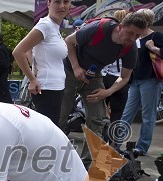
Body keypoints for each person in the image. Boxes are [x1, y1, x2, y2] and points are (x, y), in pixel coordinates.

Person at [58, 11, 147, 168]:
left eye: (137, 36)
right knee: (61, 116)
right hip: (70, 71)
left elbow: (125, 78)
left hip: (93, 76)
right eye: (130, 33)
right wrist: (76, 67)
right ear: (120, 27)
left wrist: (107, 92)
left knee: (98, 119)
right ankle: (53, 157)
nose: (132, 38)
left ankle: (85, 164)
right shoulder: (99, 28)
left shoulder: (130, 49)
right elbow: (69, 41)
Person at [13, 0, 71, 125]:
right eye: (57, 2)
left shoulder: (54, 27)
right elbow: (18, 52)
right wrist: (32, 79)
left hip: (55, 88)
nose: (62, 6)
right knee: (46, 135)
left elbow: (30, 50)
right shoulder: (45, 25)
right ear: (49, 4)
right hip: (47, 89)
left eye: (66, 2)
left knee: (49, 132)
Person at [120, 9, 163, 156]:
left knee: (148, 115)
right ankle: (116, 142)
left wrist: (152, 48)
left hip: (151, 80)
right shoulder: (135, 38)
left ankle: (141, 147)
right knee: (127, 113)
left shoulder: (155, 36)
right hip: (135, 80)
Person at [102, 10, 130, 147]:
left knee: (99, 116)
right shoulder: (131, 39)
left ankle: (97, 145)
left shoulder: (109, 36)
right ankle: (113, 147)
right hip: (120, 80)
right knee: (117, 116)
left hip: (104, 77)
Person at [0, 33, 13, 103]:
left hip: (1, 73)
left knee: (0, 90)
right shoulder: (6, 48)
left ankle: (3, 103)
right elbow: (11, 56)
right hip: (5, 72)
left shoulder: (0, 50)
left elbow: (2, 63)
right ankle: (9, 102)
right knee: (5, 89)